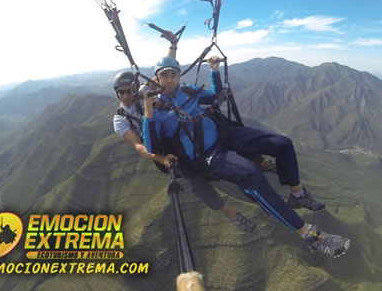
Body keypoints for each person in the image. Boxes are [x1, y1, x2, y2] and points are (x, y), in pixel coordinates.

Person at [142, 55, 351, 258]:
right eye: (164, 75)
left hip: (226, 135)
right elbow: (153, 149)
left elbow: (217, 97)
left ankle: (298, 195)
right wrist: (148, 115)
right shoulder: (157, 111)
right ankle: (308, 233)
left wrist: (215, 71)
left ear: (179, 76)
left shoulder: (190, 92)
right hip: (208, 155)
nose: (169, 79)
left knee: (282, 143)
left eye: (173, 74)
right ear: (157, 79)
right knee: (252, 176)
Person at [112, 38, 256, 233]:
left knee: (222, 131)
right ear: (117, 93)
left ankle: (259, 162)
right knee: (193, 178)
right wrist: (162, 158)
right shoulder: (120, 119)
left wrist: (173, 44)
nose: (127, 95)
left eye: (130, 90)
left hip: (174, 133)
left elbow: (166, 70)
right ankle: (230, 212)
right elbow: (139, 146)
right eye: (122, 92)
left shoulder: (146, 93)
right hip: (160, 149)